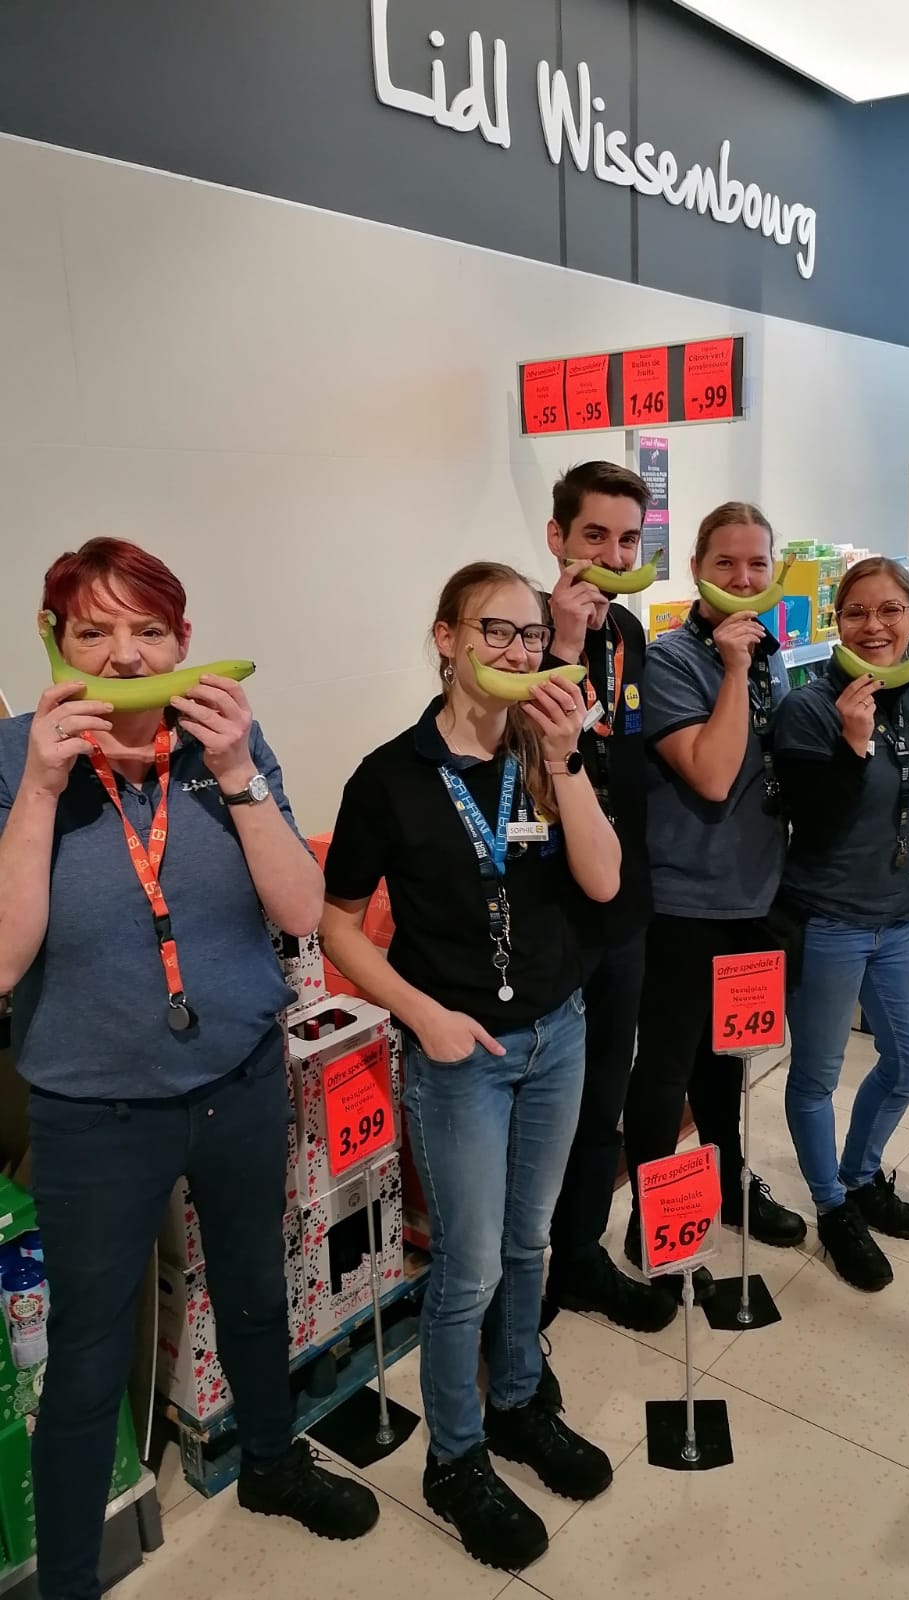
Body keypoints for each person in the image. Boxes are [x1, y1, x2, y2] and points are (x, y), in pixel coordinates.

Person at [0, 539, 378, 1600]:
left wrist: (237, 777)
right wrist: (36, 790)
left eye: (149, 631)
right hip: (92, 1107)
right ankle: (68, 1580)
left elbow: (302, 914)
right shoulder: (12, 756)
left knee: (256, 1287)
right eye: (94, 631)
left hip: (239, 1074)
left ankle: (268, 1460)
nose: (125, 655)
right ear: (54, 643)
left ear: (184, 641)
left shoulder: (230, 743)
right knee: (82, 1360)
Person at [320, 561, 619, 1573]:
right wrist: (421, 1015)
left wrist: (568, 759)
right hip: (462, 1055)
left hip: (559, 1031)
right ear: (444, 638)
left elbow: (603, 879)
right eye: (495, 632)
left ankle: (522, 1400)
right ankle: (454, 1455)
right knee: (469, 1264)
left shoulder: (550, 751)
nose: (517, 653)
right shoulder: (390, 777)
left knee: (531, 1243)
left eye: (532, 635)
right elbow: (338, 925)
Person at [621, 502, 806, 1298]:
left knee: (728, 1061)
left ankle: (729, 1184)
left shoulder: (773, 656)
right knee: (665, 1067)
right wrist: (732, 668)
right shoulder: (671, 660)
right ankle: (651, 1218)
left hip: (757, 896)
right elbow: (711, 773)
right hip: (683, 900)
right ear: (697, 568)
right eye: (726, 564)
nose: (742, 579)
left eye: (757, 566)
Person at [774, 557, 909, 1292]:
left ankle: (861, 1173)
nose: (873, 627)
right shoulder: (809, 706)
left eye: (889, 611)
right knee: (816, 1076)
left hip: (896, 915)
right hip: (826, 918)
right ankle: (833, 1206)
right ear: (835, 623)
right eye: (856, 613)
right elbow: (811, 819)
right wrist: (850, 743)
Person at [540, 462, 675, 1335]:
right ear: (558, 538)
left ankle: (582, 1254)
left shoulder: (629, 630)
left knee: (602, 1096)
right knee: (536, 1104)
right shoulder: (515, 625)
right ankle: (523, 1273)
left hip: (624, 905)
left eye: (629, 540)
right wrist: (555, 644)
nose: (614, 554)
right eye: (596, 536)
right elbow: (505, 750)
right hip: (542, 908)